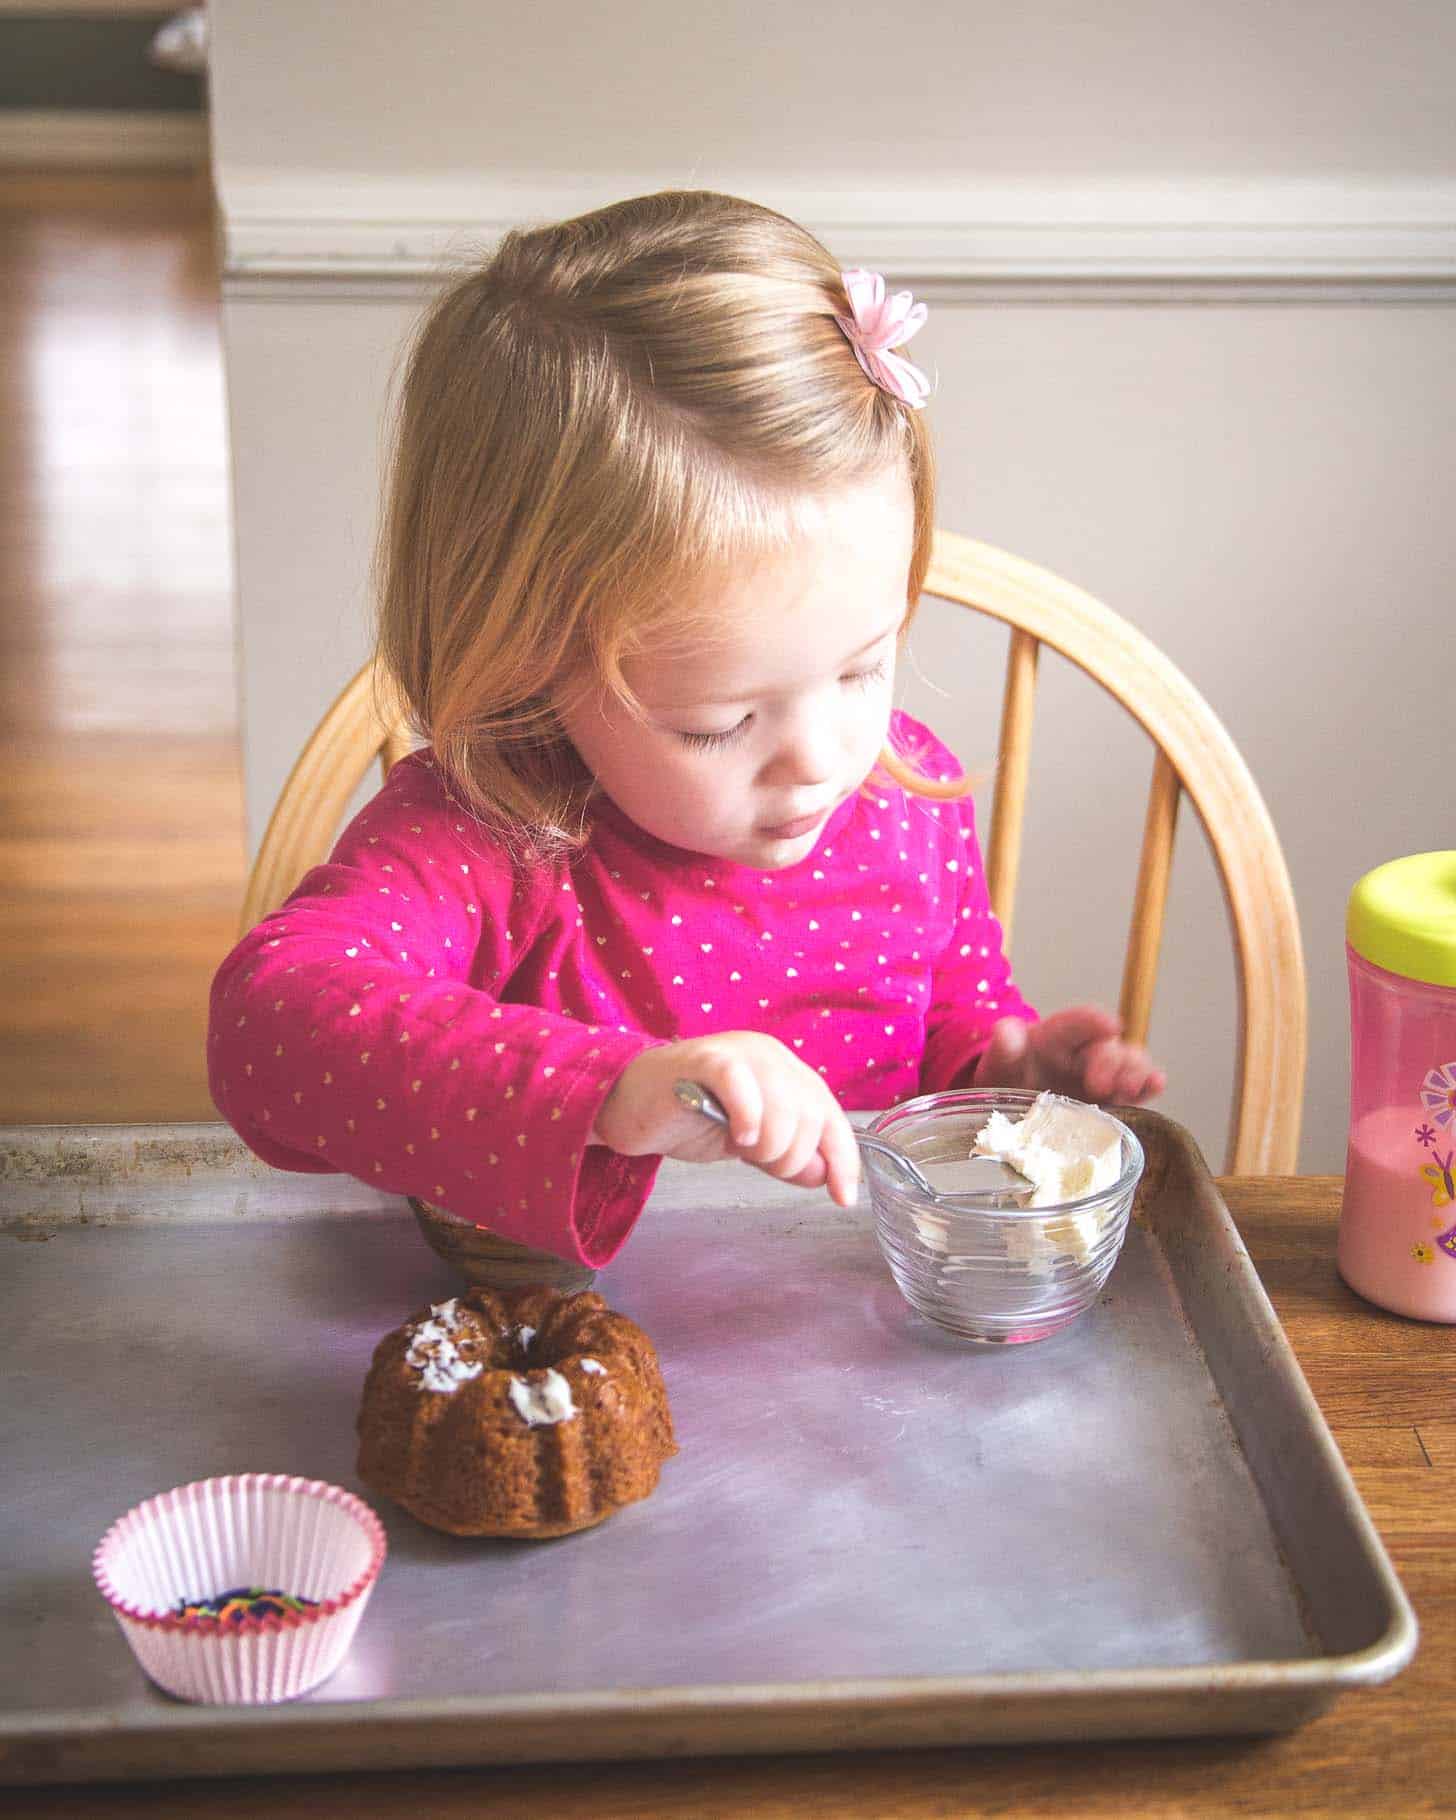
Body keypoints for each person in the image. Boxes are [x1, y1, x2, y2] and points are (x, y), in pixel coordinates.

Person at [208, 191, 1163, 1269]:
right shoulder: (488, 840)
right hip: (552, 1333)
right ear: (530, 661)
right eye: (717, 723)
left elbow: (942, 1023)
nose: (822, 756)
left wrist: (1018, 1073)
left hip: (859, 1341)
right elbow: (266, 1029)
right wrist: (609, 1089)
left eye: (864, 667)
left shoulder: (907, 794)